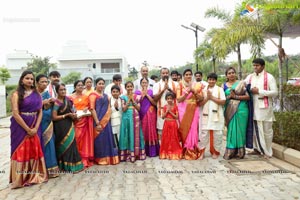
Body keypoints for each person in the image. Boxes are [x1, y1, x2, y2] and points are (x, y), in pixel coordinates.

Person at [10, 70, 48, 189]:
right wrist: (27, 129)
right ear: (22, 80)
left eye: (32, 79)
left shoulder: (37, 94)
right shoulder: (16, 94)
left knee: (34, 149)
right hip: (20, 126)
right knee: (20, 149)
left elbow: (40, 111)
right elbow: (15, 113)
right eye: (27, 78)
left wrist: (36, 127)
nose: (30, 80)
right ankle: (20, 178)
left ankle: (35, 175)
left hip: (35, 124)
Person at [245, 58, 278, 159]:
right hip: (253, 107)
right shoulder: (250, 77)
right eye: (254, 65)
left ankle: (267, 152)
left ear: (263, 66)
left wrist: (259, 91)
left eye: (257, 65)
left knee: (267, 131)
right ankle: (257, 149)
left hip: (265, 108)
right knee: (255, 130)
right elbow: (243, 85)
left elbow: (275, 92)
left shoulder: (269, 77)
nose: (255, 67)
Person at [52, 84, 84, 172]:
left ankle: (74, 165)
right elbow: (54, 117)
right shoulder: (56, 102)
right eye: (61, 90)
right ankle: (65, 166)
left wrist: (74, 115)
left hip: (69, 123)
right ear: (57, 91)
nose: (63, 91)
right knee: (64, 145)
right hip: (60, 126)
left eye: (64, 89)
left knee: (72, 143)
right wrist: (66, 115)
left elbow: (73, 110)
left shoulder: (68, 100)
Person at [89, 78, 120, 165]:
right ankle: (100, 158)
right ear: (96, 84)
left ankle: (109, 157)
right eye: (100, 83)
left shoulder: (106, 96)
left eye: (103, 84)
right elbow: (92, 109)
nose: (101, 85)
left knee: (107, 139)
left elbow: (109, 108)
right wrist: (97, 122)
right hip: (98, 121)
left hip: (107, 122)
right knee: (99, 140)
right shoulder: (92, 95)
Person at [223, 67, 250, 160]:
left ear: (235, 73)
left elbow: (247, 97)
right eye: (229, 73)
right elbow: (223, 99)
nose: (231, 74)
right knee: (231, 130)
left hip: (241, 109)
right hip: (229, 110)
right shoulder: (224, 86)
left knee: (240, 131)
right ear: (226, 75)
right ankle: (230, 152)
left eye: (233, 72)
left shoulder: (241, 83)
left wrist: (235, 96)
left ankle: (240, 152)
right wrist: (229, 97)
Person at [36, 74, 59, 177]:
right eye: (42, 82)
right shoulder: (33, 95)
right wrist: (42, 103)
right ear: (37, 83)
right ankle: (40, 169)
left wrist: (51, 102)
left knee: (49, 143)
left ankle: (51, 170)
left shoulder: (47, 94)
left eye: (46, 82)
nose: (45, 84)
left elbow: (48, 107)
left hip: (47, 121)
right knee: (39, 144)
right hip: (36, 122)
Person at [177, 69, 203, 160]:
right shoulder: (180, 85)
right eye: (186, 74)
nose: (188, 76)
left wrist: (194, 91)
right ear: (183, 76)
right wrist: (188, 91)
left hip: (194, 109)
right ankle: (186, 149)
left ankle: (192, 148)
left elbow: (201, 98)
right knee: (185, 129)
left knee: (193, 129)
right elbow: (179, 99)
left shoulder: (197, 85)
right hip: (183, 109)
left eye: (190, 74)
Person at [199, 73, 226, 160]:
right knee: (204, 134)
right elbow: (200, 103)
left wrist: (212, 97)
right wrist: (207, 98)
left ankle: (216, 152)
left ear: (216, 80)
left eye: (213, 79)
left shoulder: (220, 90)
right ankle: (202, 152)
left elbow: (223, 102)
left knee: (217, 134)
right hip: (205, 115)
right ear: (207, 80)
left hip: (216, 115)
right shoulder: (203, 90)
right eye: (209, 79)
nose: (211, 81)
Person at [119, 81, 146, 162]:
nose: (129, 88)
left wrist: (133, 100)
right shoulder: (123, 97)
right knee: (127, 134)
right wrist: (128, 100)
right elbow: (123, 109)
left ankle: (137, 154)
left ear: (133, 87)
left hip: (136, 117)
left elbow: (139, 108)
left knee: (136, 134)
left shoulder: (137, 96)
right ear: (125, 87)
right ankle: (127, 154)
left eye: (131, 86)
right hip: (126, 117)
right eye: (128, 86)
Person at [69, 80, 94, 167]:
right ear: (75, 87)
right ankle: (76, 158)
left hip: (85, 121)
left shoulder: (86, 97)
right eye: (78, 85)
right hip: (75, 121)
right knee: (76, 139)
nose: (80, 87)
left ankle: (84, 159)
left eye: (81, 85)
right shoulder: (70, 97)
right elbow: (69, 108)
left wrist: (86, 108)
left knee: (84, 141)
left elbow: (90, 107)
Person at [135, 77, 159, 157]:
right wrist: (142, 95)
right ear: (140, 84)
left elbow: (153, 102)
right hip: (142, 113)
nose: (144, 84)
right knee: (144, 130)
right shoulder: (137, 92)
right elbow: (137, 102)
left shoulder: (151, 91)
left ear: (148, 84)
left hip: (151, 113)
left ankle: (153, 151)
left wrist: (147, 95)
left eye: (146, 83)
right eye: (143, 83)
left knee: (151, 130)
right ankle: (143, 150)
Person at [153, 68, 177, 136]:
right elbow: (155, 98)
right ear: (160, 74)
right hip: (162, 111)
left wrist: (169, 89)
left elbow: (177, 96)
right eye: (163, 73)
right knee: (162, 132)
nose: (165, 75)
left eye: (166, 73)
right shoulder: (156, 85)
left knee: (173, 132)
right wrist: (163, 89)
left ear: (169, 74)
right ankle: (163, 146)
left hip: (173, 112)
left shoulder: (175, 84)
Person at [159, 92, 182, 160]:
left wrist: (170, 112)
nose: (169, 100)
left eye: (171, 98)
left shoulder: (175, 106)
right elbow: (162, 117)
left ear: (173, 99)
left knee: (174, 138)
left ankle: (174, 152)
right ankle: (165, 153)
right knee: (166, 138)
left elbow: (177, 117)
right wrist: (166, 112)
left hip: (173, 124)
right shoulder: (165, 107)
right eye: (168, 98)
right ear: (166, 99)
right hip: (166, 123)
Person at [110, 85, 122, 149]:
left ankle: (122, 151)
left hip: (121, 120)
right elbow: (108, 111)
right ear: (111, 92)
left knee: (121, 136)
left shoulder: (121, 99)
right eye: (113, 91)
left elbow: (123, 110)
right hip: (113, 121)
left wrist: (118, 108)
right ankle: (117, 152)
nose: (115, 93)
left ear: (119, 92)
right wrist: (114, 108)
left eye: (117, 91)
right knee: (115, 136)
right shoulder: (109, 100)